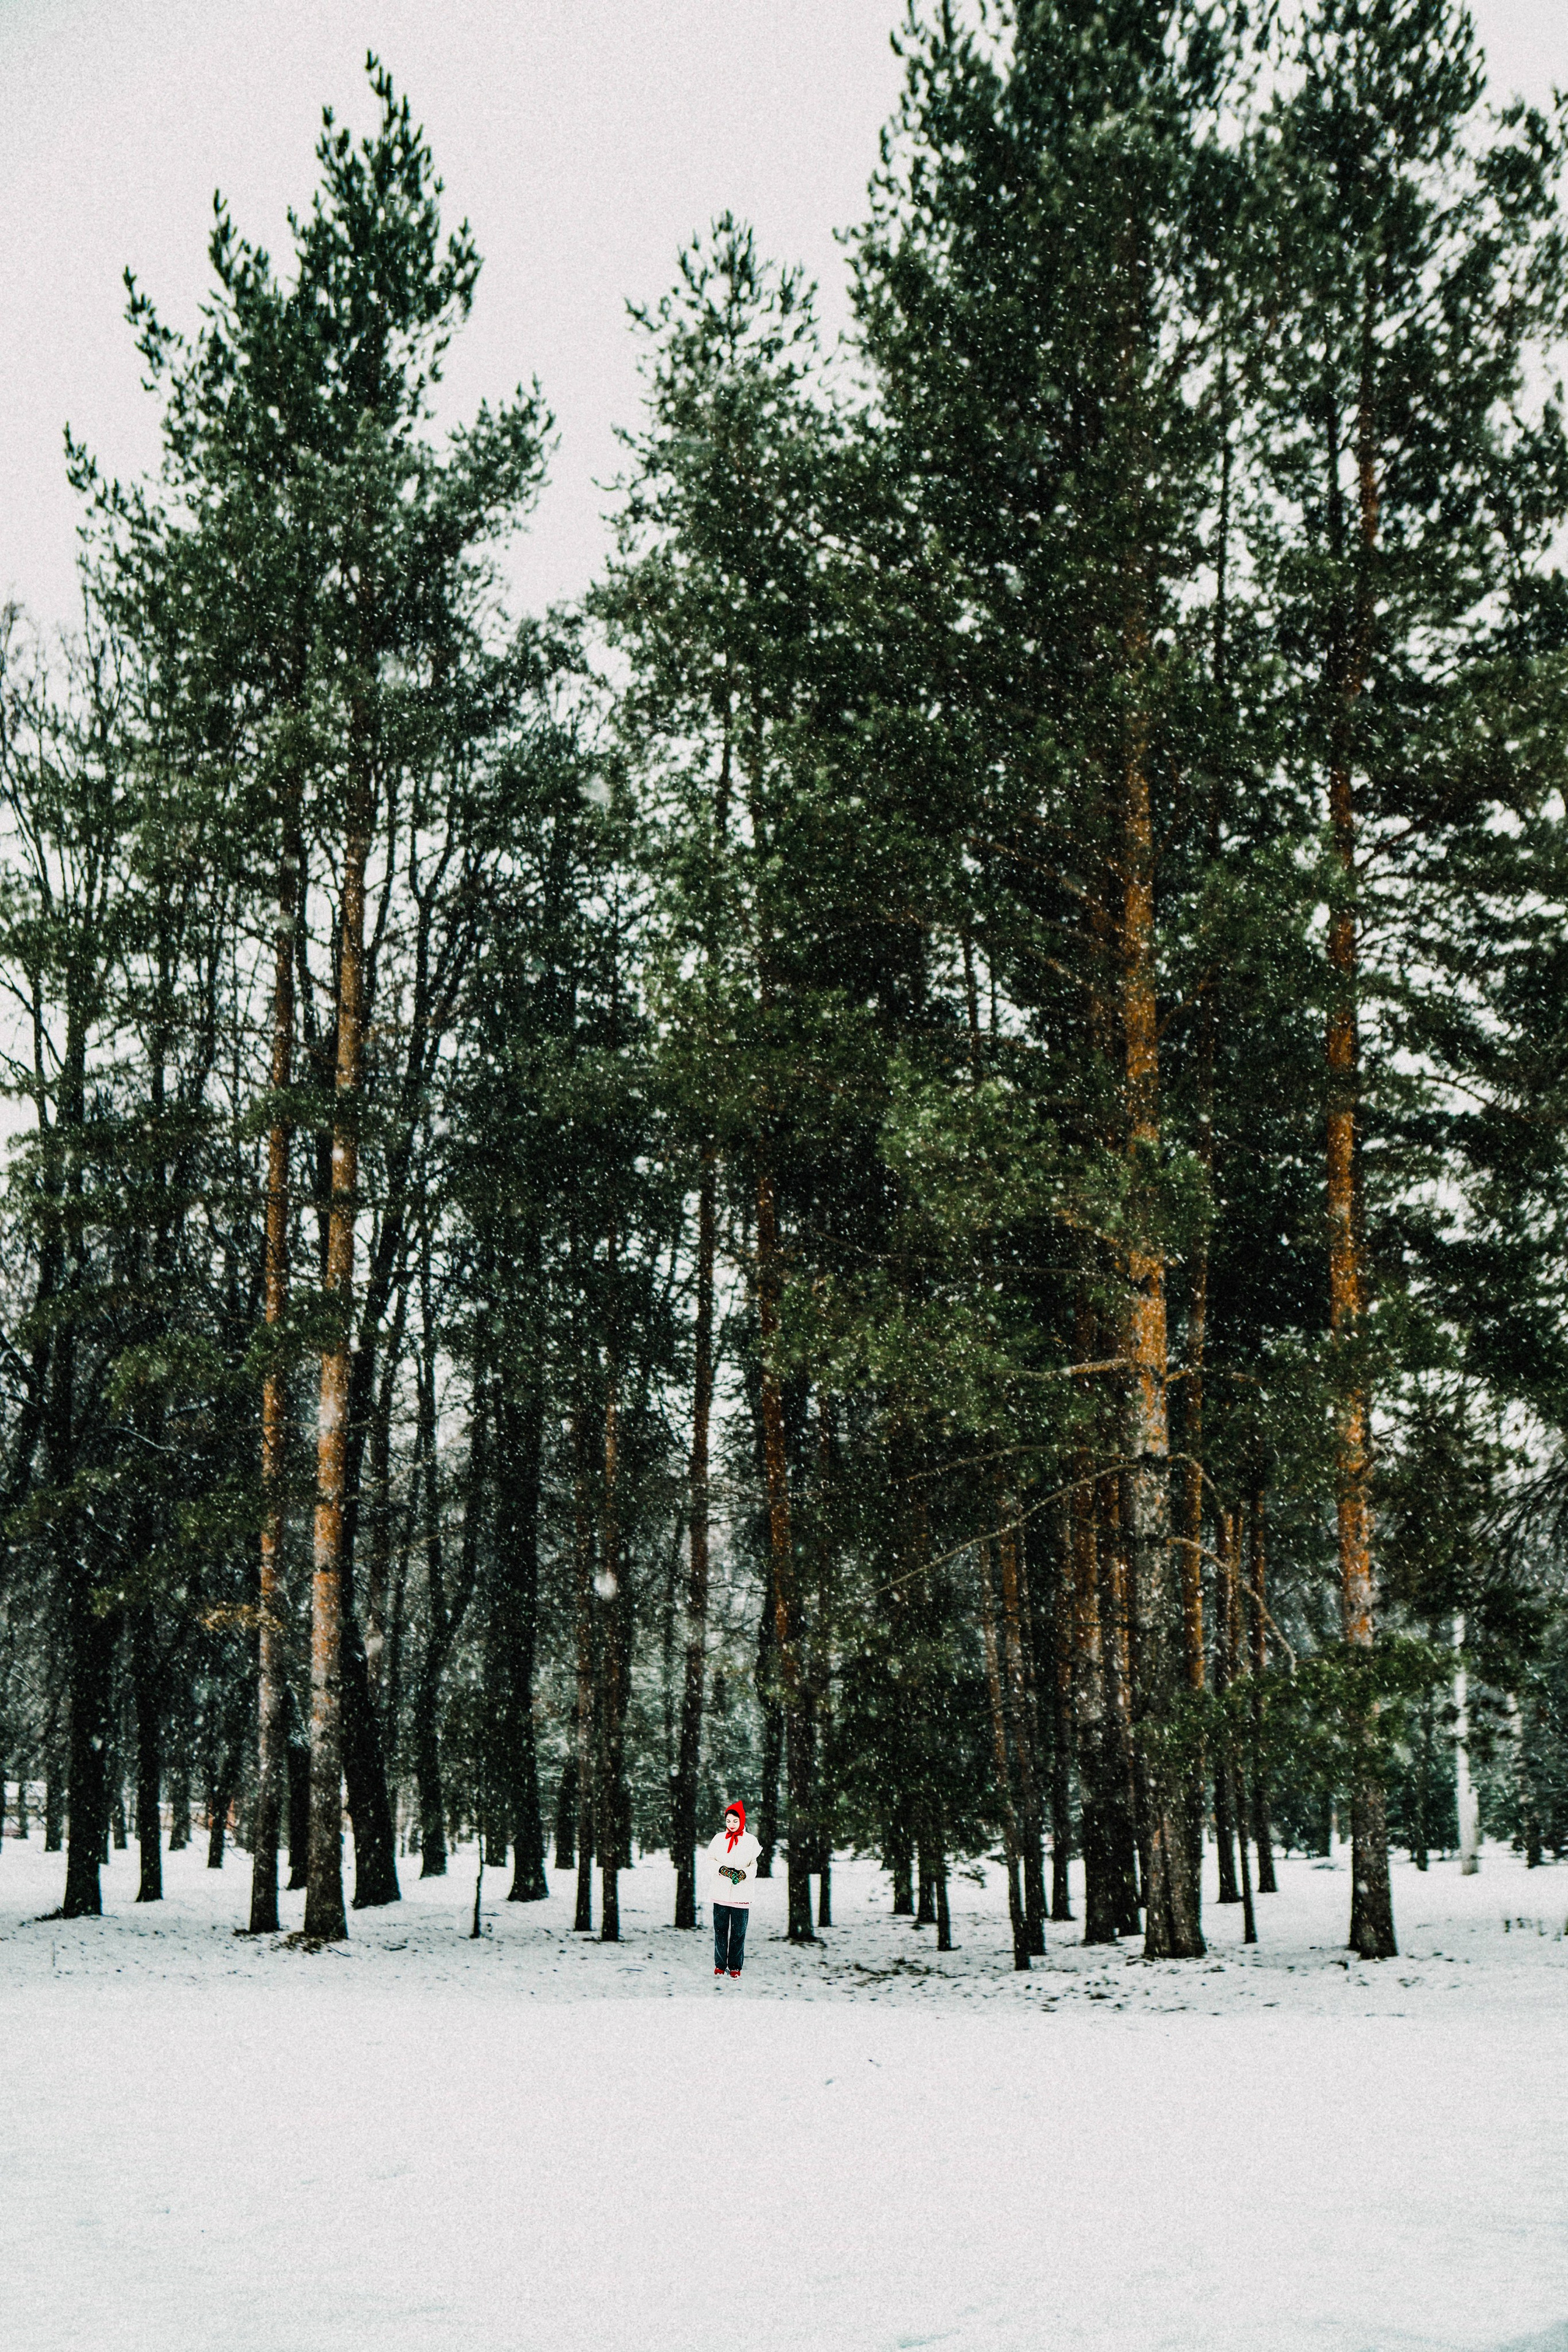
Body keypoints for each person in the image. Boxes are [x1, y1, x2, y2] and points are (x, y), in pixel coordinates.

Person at [706, 1800, 760, 1977]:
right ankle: (720, 1965)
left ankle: (735, 1966)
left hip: (741, 1895)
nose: (732, 1825)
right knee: (720, 1930)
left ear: (742, 1821)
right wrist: (722, 1870)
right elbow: (710, 1860)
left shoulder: (751, 1841)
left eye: (735, 1821)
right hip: (720, 1893)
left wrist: (743, 1874)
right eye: (729, 1821)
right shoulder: (719, 1839)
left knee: (738, 1933)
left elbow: (754, 1865)